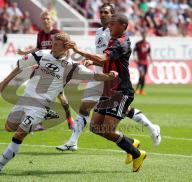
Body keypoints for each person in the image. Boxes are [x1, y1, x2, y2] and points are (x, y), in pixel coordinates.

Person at [0, 32, 118, 174]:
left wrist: (109, 76)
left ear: (66, 47)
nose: (52, 46)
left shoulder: (71, 66)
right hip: (25, 98)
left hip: (40, 105)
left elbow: (94, 75)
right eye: (52, 43)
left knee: (19, 135)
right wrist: (5, 82)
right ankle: (46, 116)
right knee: (9, 127)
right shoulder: (41, 54)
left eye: (56, 44)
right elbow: (20, 66)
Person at [56, 3, 160, 156]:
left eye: (106, 12)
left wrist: (81, 52)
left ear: (114, 15)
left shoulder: (118, 38)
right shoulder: (100, 32)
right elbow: (101, 56)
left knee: (115, 115)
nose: (102, 15)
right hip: (99, 75)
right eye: (101, 12)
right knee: (87, 109)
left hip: (112, 79)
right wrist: (93, 62)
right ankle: (73, 141)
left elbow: (106, 56)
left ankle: (147, 130)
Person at [64, 14, 147, 172]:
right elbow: (108, 60)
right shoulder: (114, 40)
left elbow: (104, 58)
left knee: (108, 129)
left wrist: (78, 50)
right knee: (96, 127)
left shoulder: (121, 42)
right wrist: (93, 61)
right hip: (107, 90)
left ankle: (137, 154)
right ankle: (131, 143)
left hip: (121, 92)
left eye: (112, 24)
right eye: (109, 24)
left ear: (123, 25)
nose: (109, 26)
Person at [17, 10, 74, 129]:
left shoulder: (58, 34)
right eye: (44, 19)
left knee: (61, 96)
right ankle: (38, 120)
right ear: (41, 21)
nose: (46, 20)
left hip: (56, 69)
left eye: (48, 18)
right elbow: (38, 49)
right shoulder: (40, 34)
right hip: (42, 68)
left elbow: (68, 50)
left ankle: (69, 119)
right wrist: (25, 52)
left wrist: (64, 65)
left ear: (52, 20)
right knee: (33, 90)